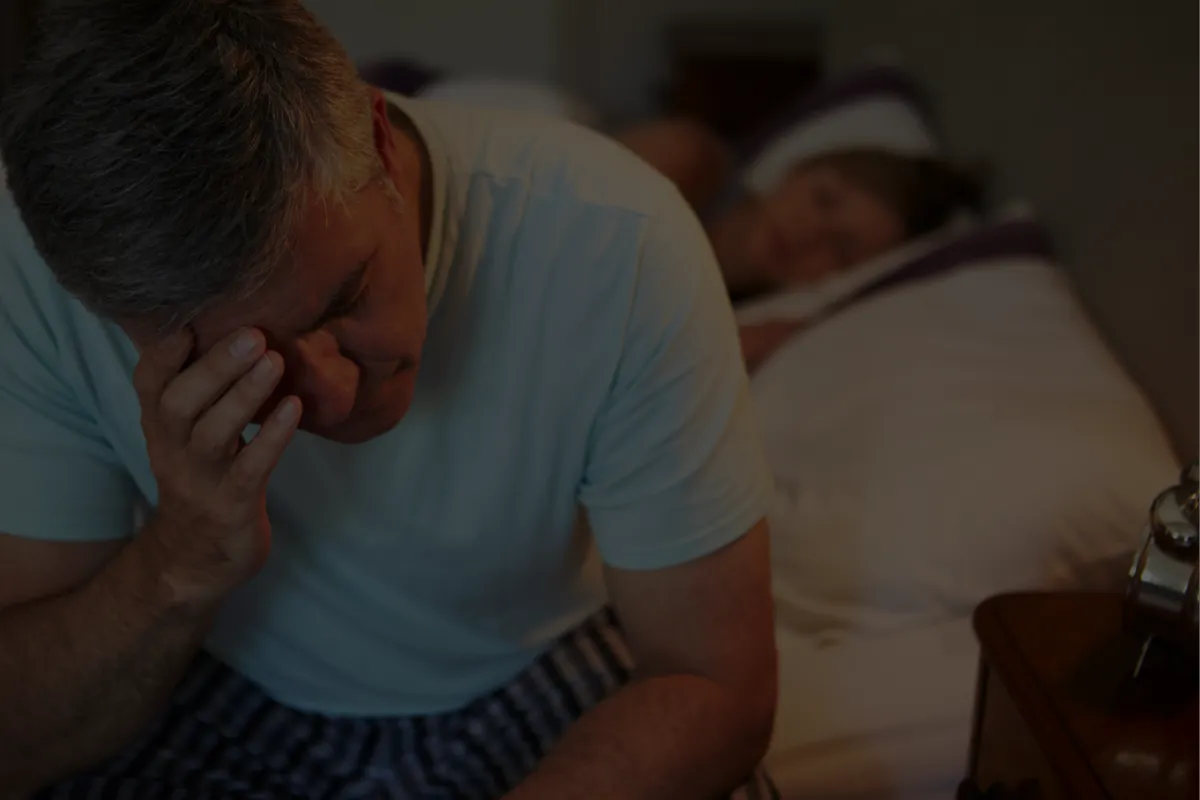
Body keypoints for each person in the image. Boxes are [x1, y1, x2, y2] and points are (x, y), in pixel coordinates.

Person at [0, 2, 778, 798]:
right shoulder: (33, 269)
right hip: (221, 678)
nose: (333, 397)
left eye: (346, 298)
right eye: (244, 365)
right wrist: (181, 560)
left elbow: (716, 681)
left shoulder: (615, 237)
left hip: (529, 659)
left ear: (379, 142)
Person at [616, 118, 982, 371]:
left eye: (842, 248)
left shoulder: (752, 324)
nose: (806, 234)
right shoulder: (687, 162)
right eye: (823, 198)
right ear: (799, 169)